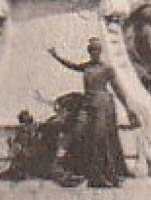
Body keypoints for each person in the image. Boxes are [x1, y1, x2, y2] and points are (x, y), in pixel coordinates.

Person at [48, 38, 130, 188]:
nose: (94, 53)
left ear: (100, 52)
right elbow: (72, 65)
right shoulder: (87, 67)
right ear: (89, 52)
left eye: (97, 50)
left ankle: (104, 174)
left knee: (100, 138)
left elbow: (118, 89)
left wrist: (128, 108)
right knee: (78, 131)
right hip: (88, 103)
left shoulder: (107, 69)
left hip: (102, 105)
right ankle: (80, 168)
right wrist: (56, 56)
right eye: (92, 50)